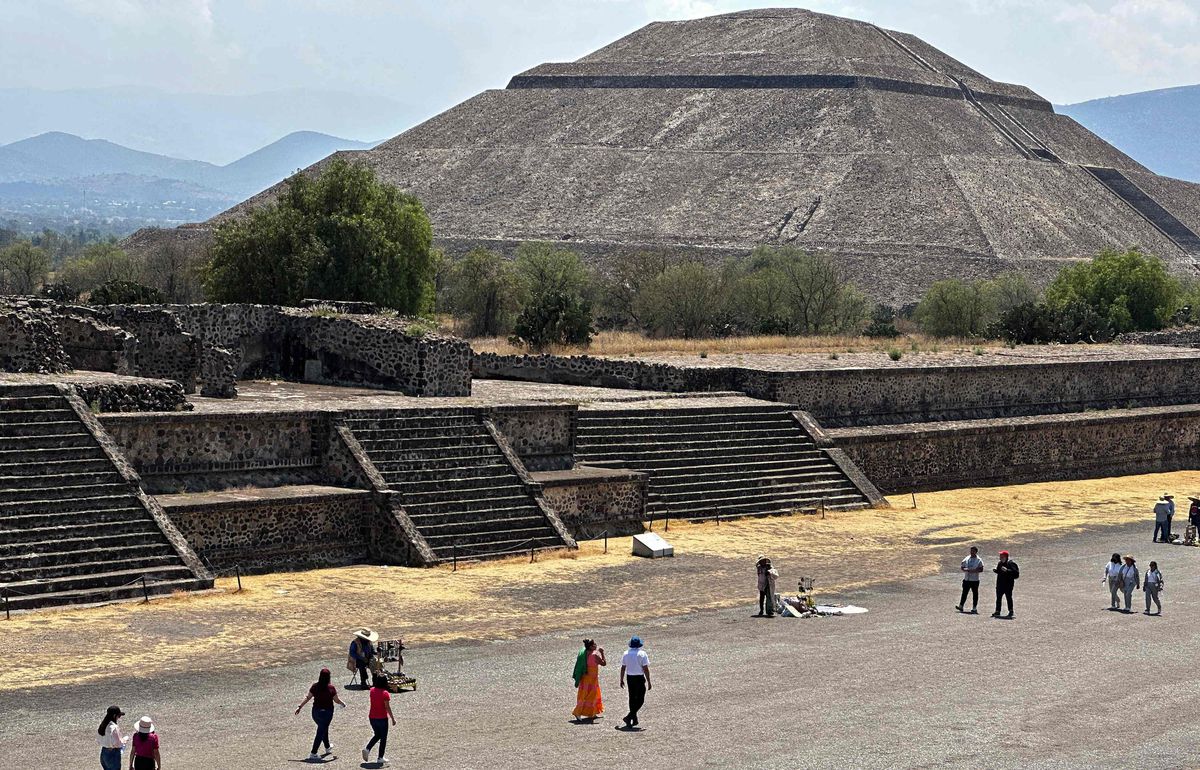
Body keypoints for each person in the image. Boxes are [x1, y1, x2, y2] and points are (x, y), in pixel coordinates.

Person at [295, 666, 346, 760]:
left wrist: (300, 706)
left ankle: (327, 747)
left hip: (315, 713)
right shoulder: (331, 688)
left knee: (323, 728)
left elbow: (308, 697)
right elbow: (336, 700)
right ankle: (313, 753)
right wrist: (343, 703)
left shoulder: (315, 686)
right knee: (321, 731)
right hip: (327, 713)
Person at [362, 673, 395, 766]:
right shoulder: (385, 693)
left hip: (372, 717)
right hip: (382, 718)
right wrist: (392, 718)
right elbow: (387, 707)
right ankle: (380, 757)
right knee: (383, 738)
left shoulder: (372, 690)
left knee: (377, 735)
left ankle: (367, 749)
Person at [619, 636, 652, 729]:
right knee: (640, 699)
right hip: (639, 678)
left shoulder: (626, 653)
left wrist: (621, 679)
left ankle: (634, 718)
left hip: (629, 678)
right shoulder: (642, 654)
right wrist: (649, 681)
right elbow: (645, 669)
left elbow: (623, 668)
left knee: (632, 698)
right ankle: (630, 716)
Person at [571, 639, 606, 722]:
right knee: (589, 696)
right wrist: (602, 653)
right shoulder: (595, 655)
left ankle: (592, 713)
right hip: (591, 680)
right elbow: (604, 663)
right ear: (590, 646)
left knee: (586, 695)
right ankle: (577, 712)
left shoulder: (583, 653)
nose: (596, 645)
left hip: (584, 678)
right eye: (594, 644)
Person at [97, 705, 128, 770]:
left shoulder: (102, 725)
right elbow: (117, 744)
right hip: (113, 754)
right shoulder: (114, 727)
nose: (119, 718)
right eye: (119, 716)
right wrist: (124, 741)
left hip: (103, 753)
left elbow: (99, 740)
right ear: (114, 716)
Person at [991, 550, 1019, 619]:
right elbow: (999, 572)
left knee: (1008, 598)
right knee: (998, 598)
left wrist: (1007, 570)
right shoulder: (1000, 563)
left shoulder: (1011, 564)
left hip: (1008, 585)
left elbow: (1016, 574)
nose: (1000, 557)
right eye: (1000, 556)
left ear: (1005, 556)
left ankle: (1011, 611)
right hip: (1000, 584)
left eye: (1001, 556)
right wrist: (996, 571)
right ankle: (997, 611)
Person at [956, 546, 984, 613]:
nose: (971, 552)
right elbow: (962, 566)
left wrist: (973, 570)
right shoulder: (967, 558)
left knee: (975, 594)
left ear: (976, 552)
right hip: (967, 579)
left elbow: (981, 569)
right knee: (964, 593)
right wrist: (964, 569)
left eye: (973, 551)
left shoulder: (979, 560)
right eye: (971, 551)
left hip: (974, 580)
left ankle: (974, 608)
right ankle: (961, 606)